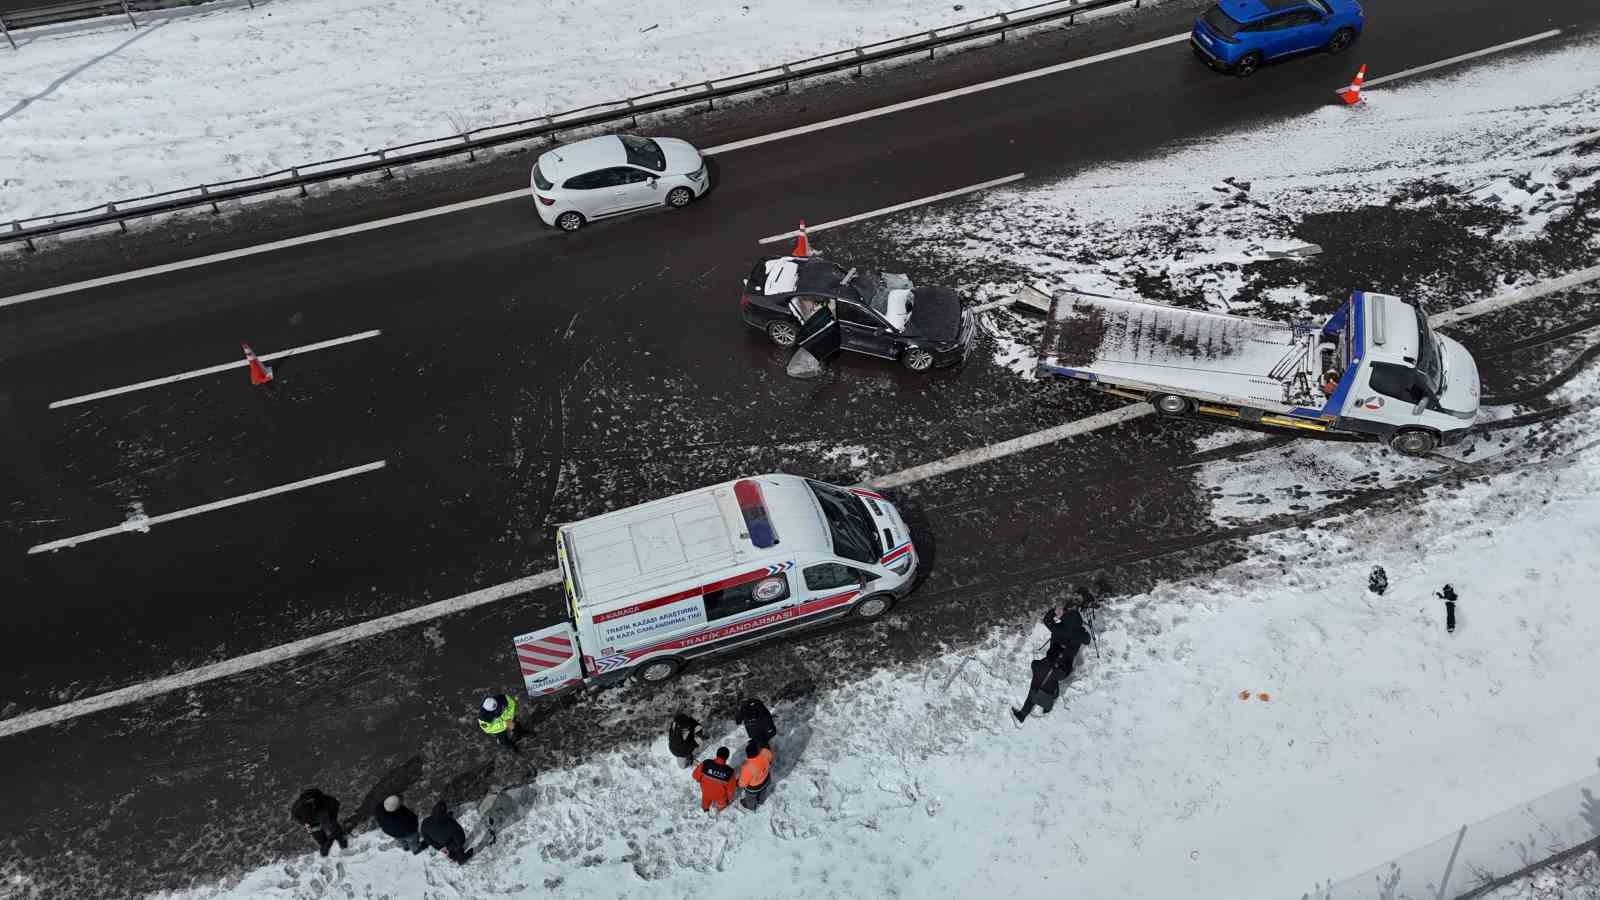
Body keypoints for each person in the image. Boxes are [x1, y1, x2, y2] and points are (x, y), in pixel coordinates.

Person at [1011, 645, 1067, 725]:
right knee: (1053, 694)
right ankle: (1046, 709)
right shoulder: (1057, 672)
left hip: (1035, 689)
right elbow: (1063, 675)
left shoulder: (1037, 665)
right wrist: (1059, 666)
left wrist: (1045, 661)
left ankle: (1022, 715)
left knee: (1031, 698)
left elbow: (1033, 663)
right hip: (1047, 693)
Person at [290, 788, 348, 857]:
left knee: (332, 831)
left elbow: (331, 819)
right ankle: (336, 846)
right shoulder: (302, 811)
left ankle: (341, 846)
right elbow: (306, 823)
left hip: (321, 810)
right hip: (311, 814)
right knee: (328, 835)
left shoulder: (323, 805)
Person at [420, 800, 473, 864]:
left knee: (449, 841)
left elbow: (426, 837)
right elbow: (460, 838)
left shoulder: (425, 822)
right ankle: (460, 858)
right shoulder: (450, 823)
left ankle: (451, 855)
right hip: (448, 844)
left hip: (439, 843)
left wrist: (439, 847)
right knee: (457, 843)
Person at [692, 747, 739, 813]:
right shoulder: (730, 772)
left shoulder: (706, 763)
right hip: (720, 797)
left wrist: (701, 780)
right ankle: (719, 809)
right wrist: (728, 799)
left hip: (706, 792)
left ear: (717, 754)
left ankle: (705, 808)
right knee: (722, 803)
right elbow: (731, 790)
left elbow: (695, 775)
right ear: (727, 757)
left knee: (705, 799)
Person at [737, 740, 775, 810]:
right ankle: (761, 800)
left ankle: (751, 806)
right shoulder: (765, 752)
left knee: (751, 798)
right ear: (757, 750)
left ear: (747, 755)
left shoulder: (747, 767)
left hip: (754, 788)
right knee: (763, 791)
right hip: (766, 779)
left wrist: (738, 783)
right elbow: (771, 758)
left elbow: (743, 783)